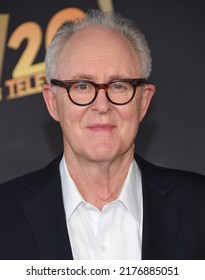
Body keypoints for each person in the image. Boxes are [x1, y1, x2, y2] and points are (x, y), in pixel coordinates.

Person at [0, 9, 205, 260]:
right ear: (52, 102)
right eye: (82, 86)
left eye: (119, 86)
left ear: (143, 102)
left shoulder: (199, 206)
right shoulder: (4, 214)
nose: (102, 105)